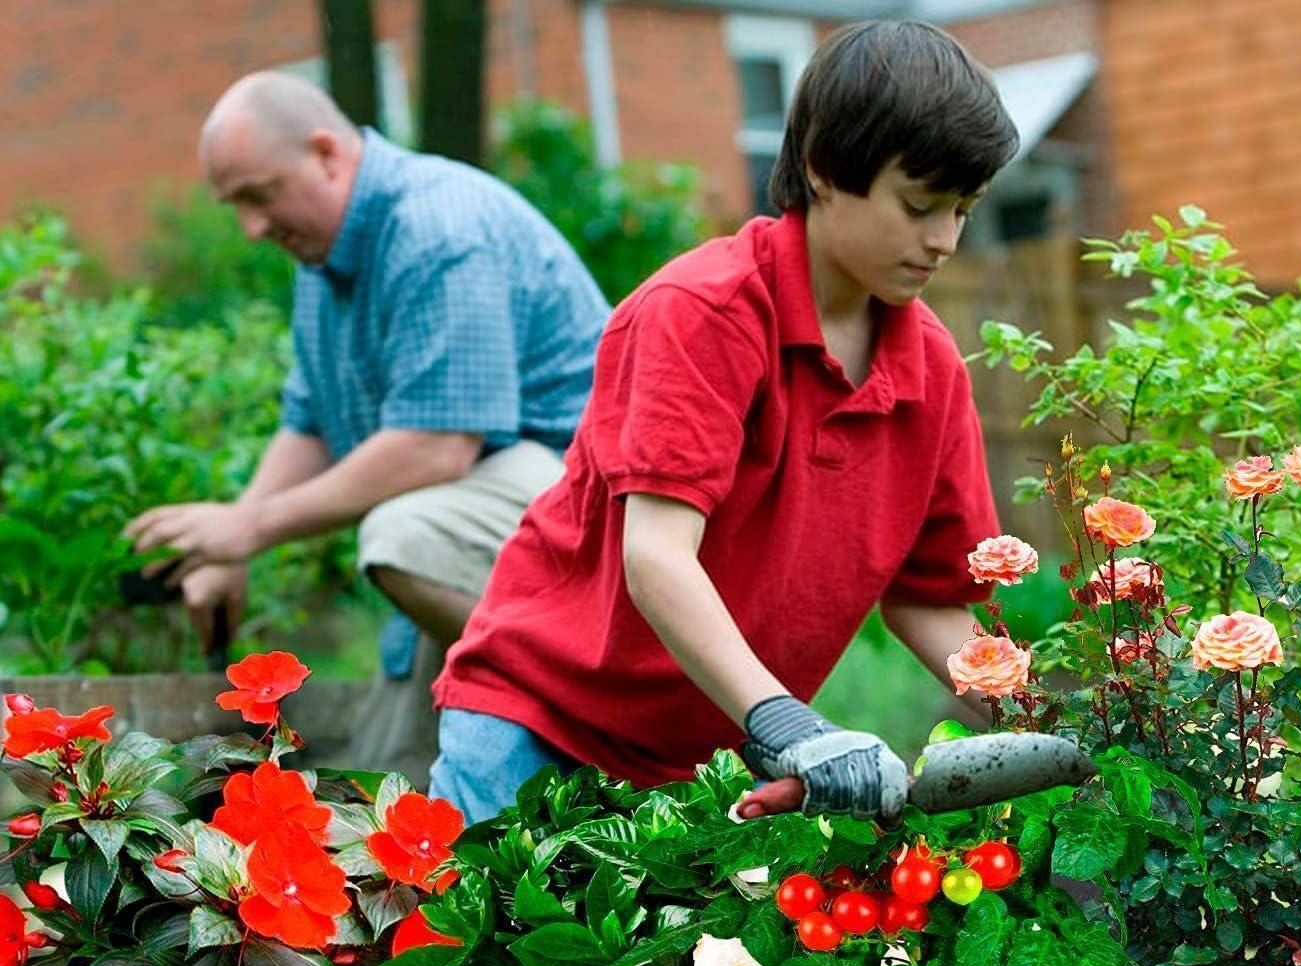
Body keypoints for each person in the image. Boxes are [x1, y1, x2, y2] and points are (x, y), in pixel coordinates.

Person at [431, 20, 1019, 823]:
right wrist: (790, 727)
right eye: (920, 205)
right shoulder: (702, 313)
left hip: (698, 766)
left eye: (963, 209)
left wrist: (1067, 732)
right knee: (461, 942)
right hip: (537, 725)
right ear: (822, 170)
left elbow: (930, 598)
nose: (944, 240)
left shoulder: (932, 373)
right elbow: (657, 557)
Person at [124, 72, 609, 781]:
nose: (252, 229)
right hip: (483, 528)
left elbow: (438, 445)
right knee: (390, 780)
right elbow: (311, 420)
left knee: (402, 534)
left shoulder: (437, 228)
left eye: (258, 196)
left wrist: (254, 527)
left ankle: (606, 722)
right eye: (236, 207)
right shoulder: (323, 258)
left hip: (587, 514)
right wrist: (233, 538)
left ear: (326, 153)